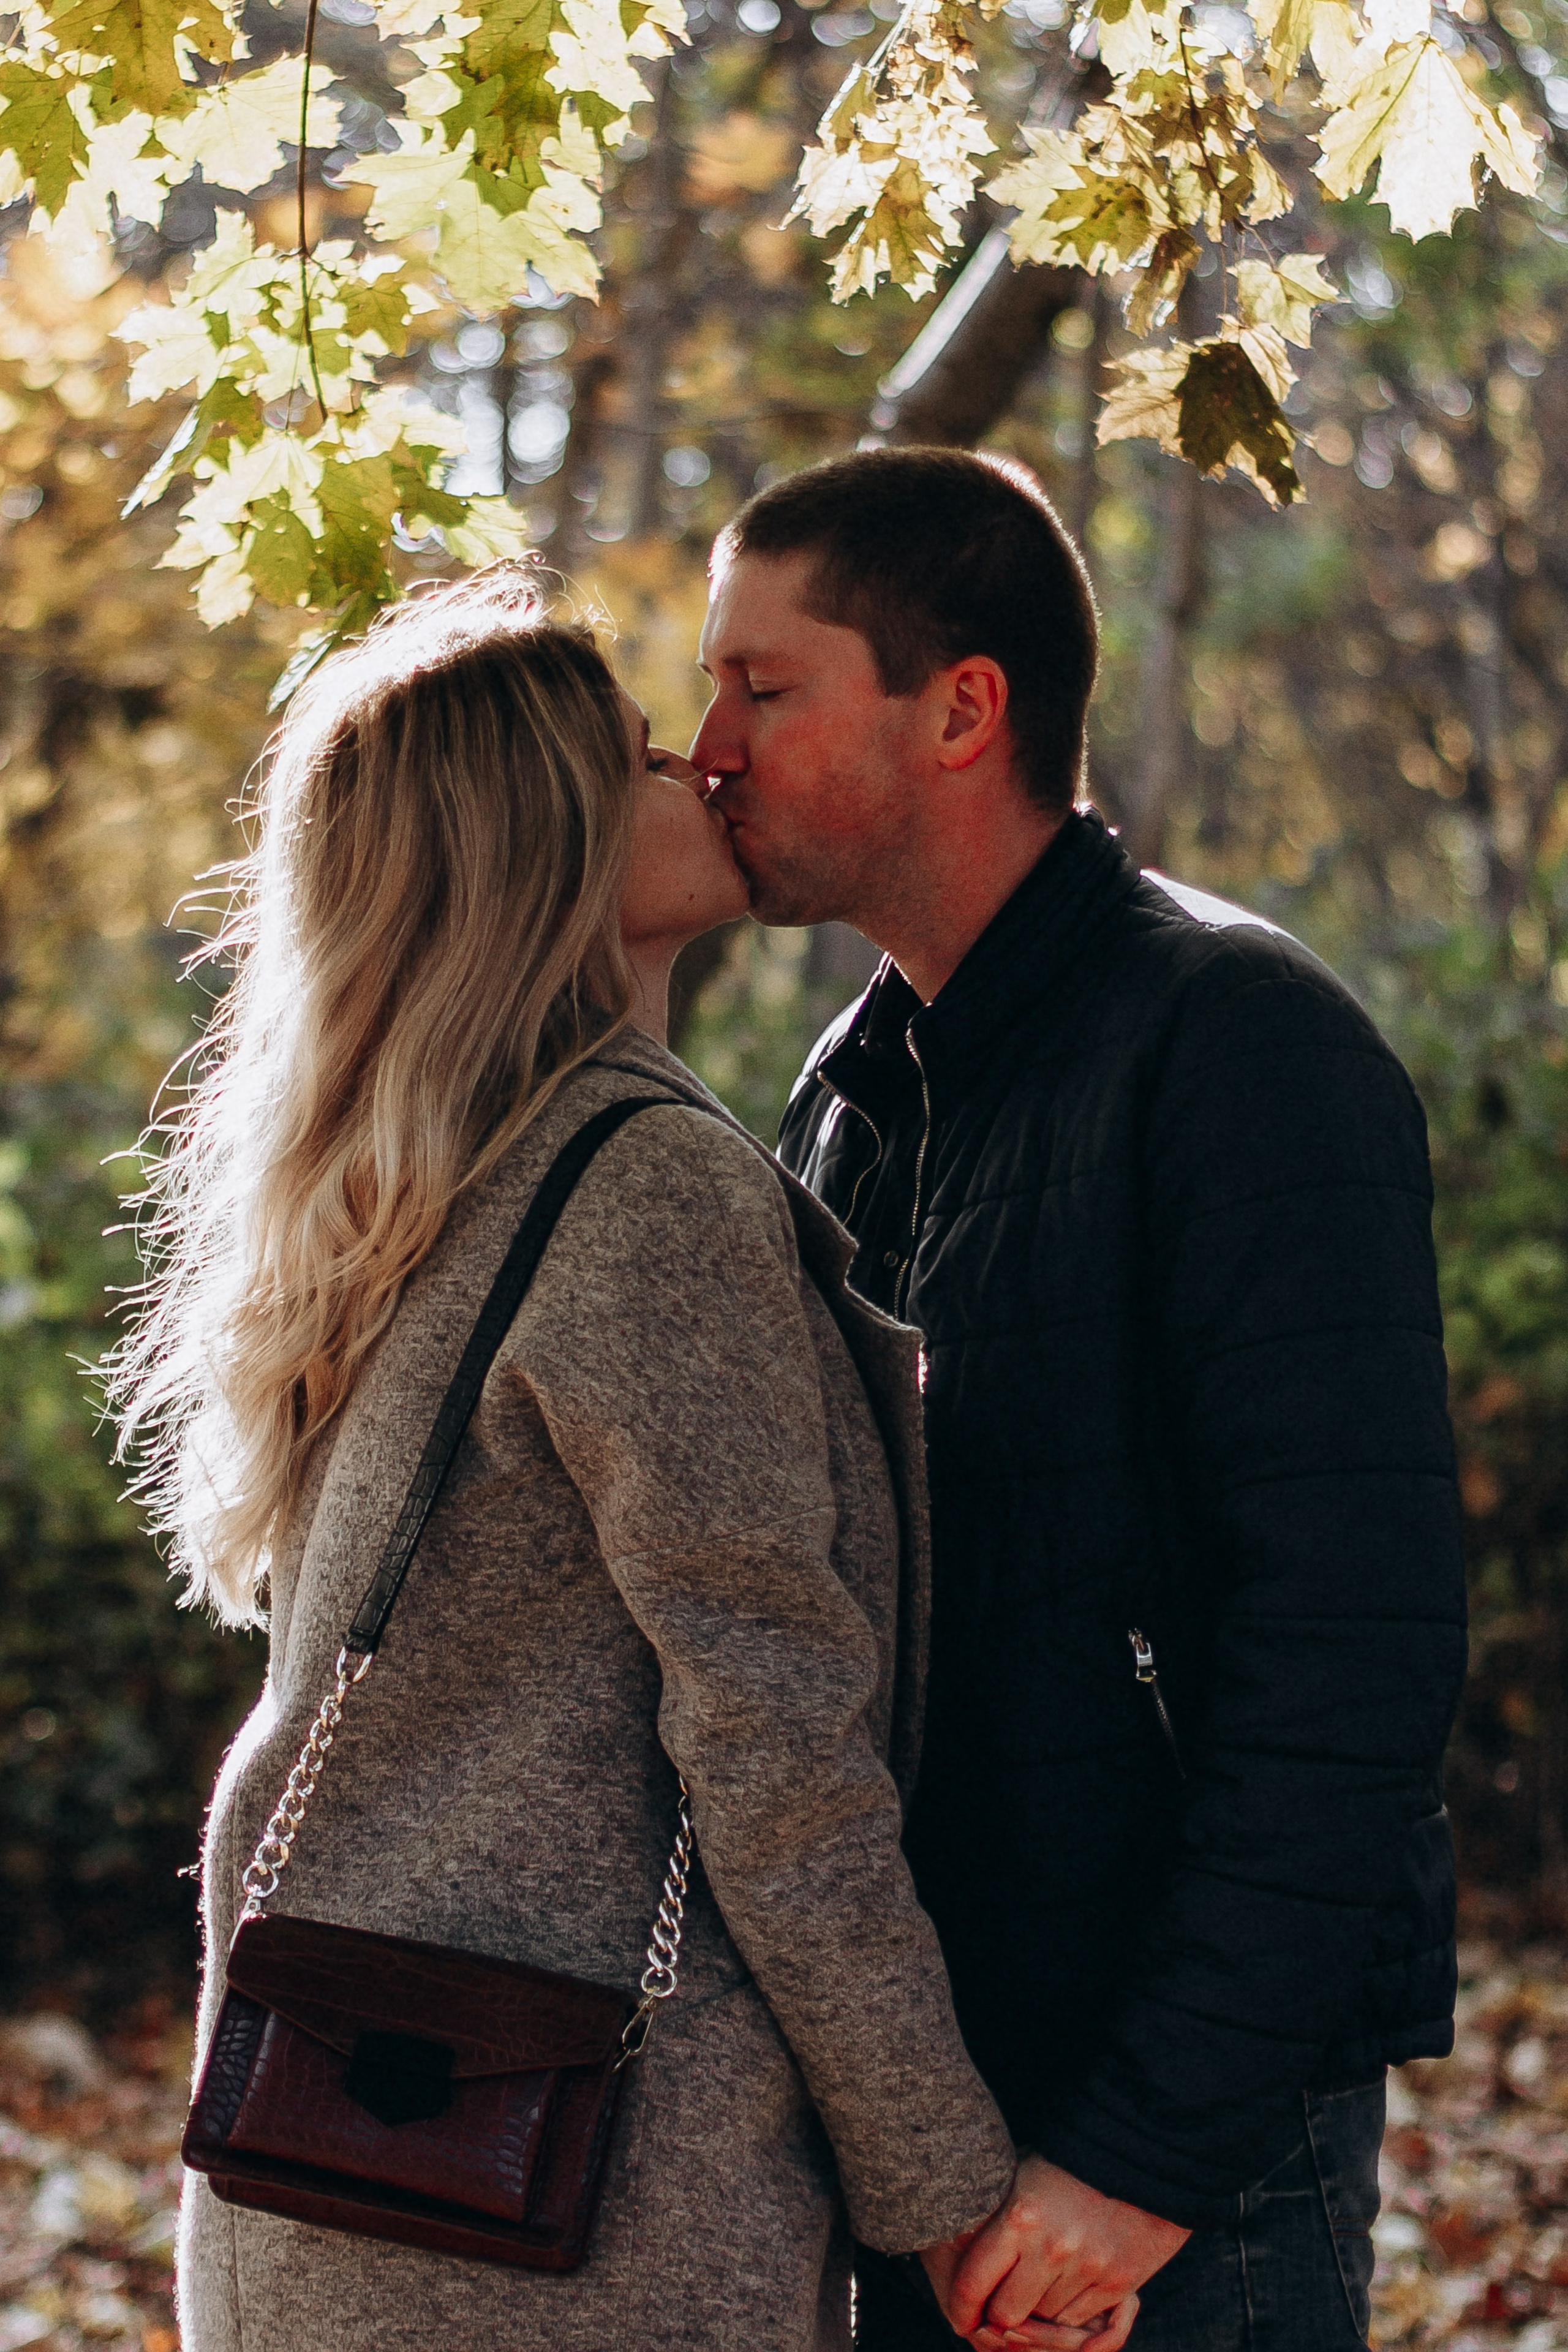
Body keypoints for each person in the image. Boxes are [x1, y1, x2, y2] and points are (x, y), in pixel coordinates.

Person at [105, 570, 1087, 2352]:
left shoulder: (408, 1192)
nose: (702, 768)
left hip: (322, 2181)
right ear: (549, 835)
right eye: (642, 752)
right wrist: (944, 2189)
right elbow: (776, 1746)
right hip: (558, 2221)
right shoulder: (644, 1187)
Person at [690, 448, 1469, 2352]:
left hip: (1174, 2166)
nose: (707, 747)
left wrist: (1141, 2161)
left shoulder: (1238, 1044)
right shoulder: (851, 1094)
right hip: (928, 2134)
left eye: (765, 689)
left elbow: (1353, 1650)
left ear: (964, 708)